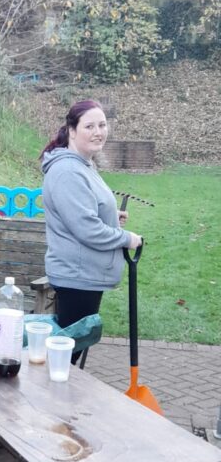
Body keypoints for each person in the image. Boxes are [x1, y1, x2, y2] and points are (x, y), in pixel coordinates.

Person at [40, 99, 143, 339]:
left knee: (70, 351)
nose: (98, 132)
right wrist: (127, 238)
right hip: (77, 277)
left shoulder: (84, 165)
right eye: (89, 126)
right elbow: (87, 229)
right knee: (68, 353)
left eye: (102, 125)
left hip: (85, 275)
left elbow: (80, 210)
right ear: (72, 131)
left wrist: (110, 215)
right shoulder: (67, 171)